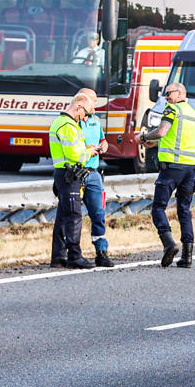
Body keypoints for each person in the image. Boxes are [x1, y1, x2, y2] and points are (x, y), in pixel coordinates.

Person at [142, 81, 195, 267]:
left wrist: (145, 137)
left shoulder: (172, 109)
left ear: (179, 94)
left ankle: (169, 244)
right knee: (184, 210)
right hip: (190, 169)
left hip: (172, 168)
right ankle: (187, 257)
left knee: (158, 207)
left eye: (168, 94)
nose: (166, 98)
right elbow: (178, 138)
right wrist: (154, 144)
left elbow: (162, 132)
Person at [48, 89, 99, 269]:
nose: (84, 118)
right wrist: (89, 152)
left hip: (64, 174)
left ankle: (58, 256)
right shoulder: (68, 126)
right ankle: (75, 256)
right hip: (69, 175)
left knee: (63, 216)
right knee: (73, 215)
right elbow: (74, 154)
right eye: (84, 113)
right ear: (78, 107)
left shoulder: (62, 123)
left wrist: (86, 148)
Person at [80, 104, 113, 267]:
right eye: (92, 102)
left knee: (98, 214)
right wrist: (86, 149)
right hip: (76, 172)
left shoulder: (96, 121)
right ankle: (70, 253)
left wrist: (103, 146)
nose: (95, 105)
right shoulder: (71, 122)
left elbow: (103, 140)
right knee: (71, 216)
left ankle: (101, 251)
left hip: (93, 173)